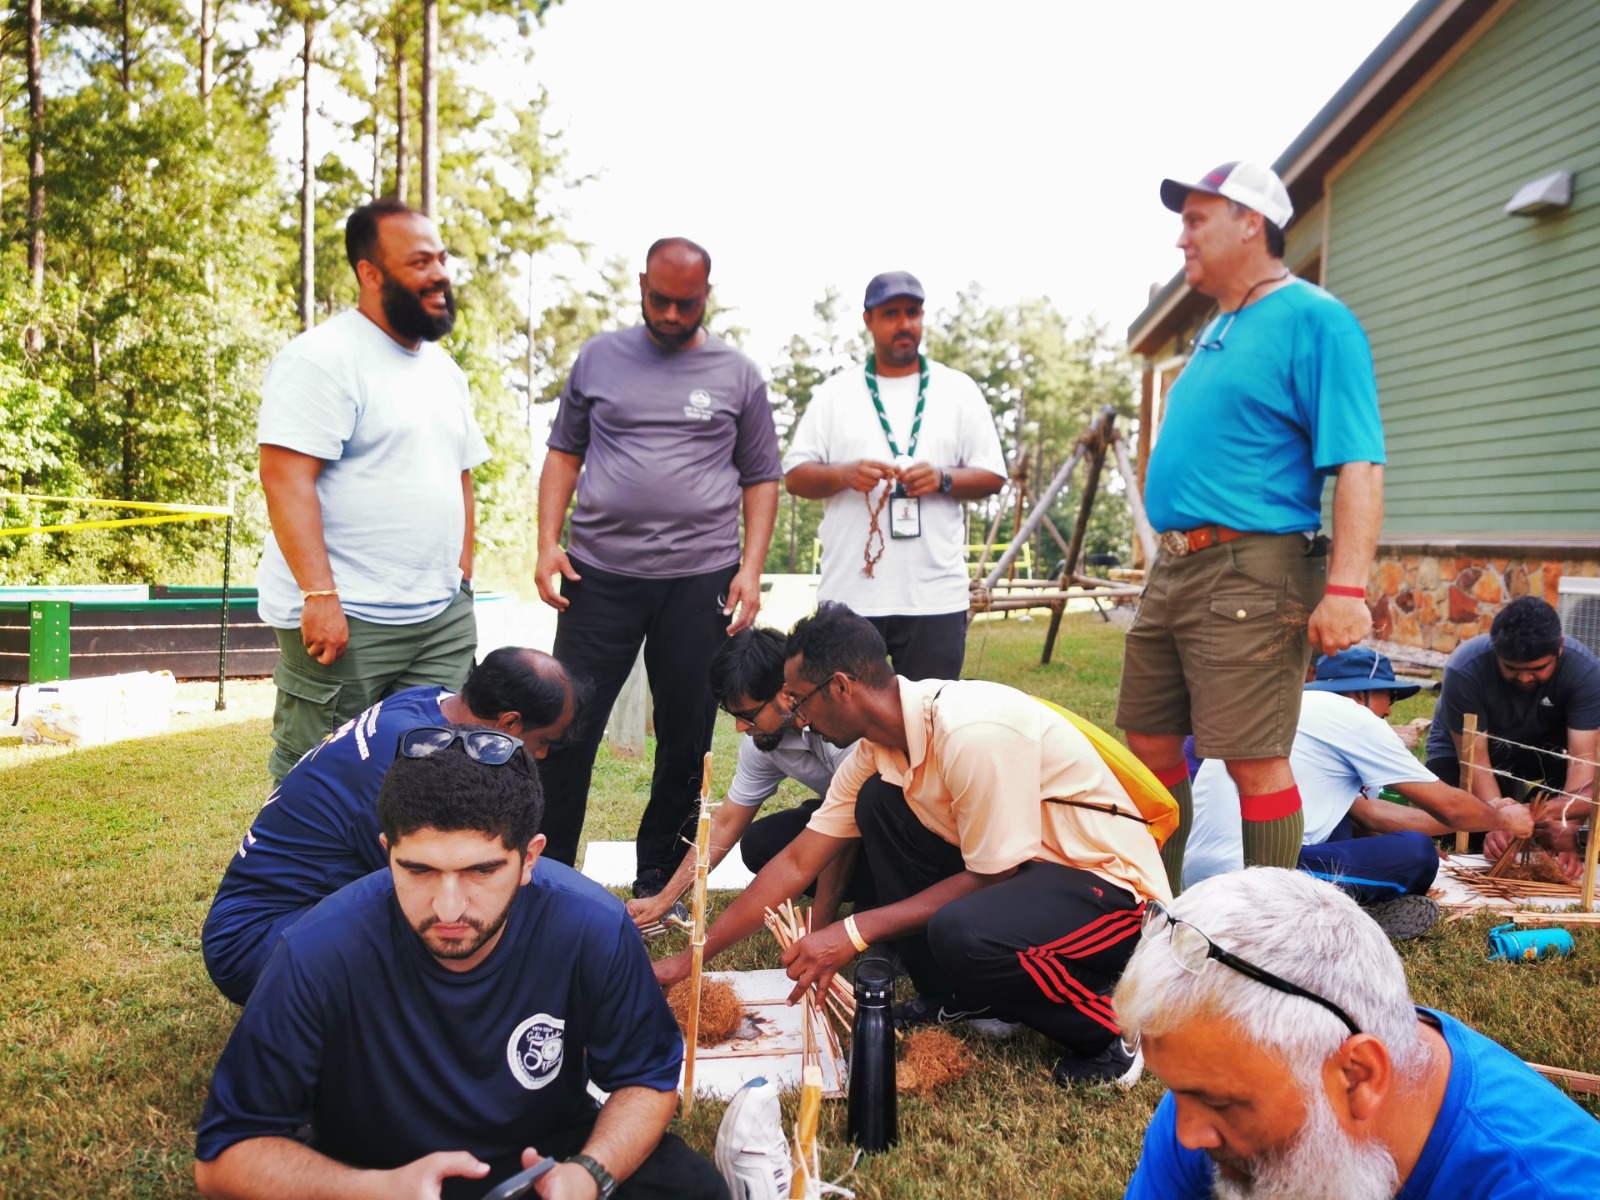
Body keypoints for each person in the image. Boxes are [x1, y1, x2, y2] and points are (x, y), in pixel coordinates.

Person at [195, 725, 726, 1200]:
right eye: (420, 870)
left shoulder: (592, 927)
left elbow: (647, 1078)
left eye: (480, 871)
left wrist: (589, 1174)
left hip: (545, 1162)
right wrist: (371, 1189)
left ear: (530, 858)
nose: (449, 907)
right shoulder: (316, 951)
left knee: (692, 1188)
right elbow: (225, 1157)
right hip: (375, 1172)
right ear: (387, 851)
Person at [657, 602, 1172, 1087]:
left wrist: (853, 930)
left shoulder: (972, 733)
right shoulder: (877, 750)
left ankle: (1112, 1031)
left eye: (800, 700)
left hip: (1111, 890)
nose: (800, 718)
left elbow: (995, 876)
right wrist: (689, 962)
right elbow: (798, 859)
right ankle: (957, 997)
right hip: (1034, 877)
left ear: (840, 687)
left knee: (965, 929)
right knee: (880, 802)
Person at [1117, 161, 1386, 891]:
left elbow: (1360, 462)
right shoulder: (1219, 327)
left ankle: (1272, 931)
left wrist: (1347, 589)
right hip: (1177, 566)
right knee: (1147, 742)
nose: (1182, 240)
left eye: (1196, 220)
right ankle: (1161, 913)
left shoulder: (1315, 319)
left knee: (1252, 755)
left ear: (1251, 223)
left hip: (1252, 568)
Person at [535, 236, 782, 898]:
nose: (672, 315)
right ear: (641, 283)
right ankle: (548, 874)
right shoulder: (598, 358)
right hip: (598, 575)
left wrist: (750, 568)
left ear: (708, 295)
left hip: (699, 579)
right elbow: (563, 452)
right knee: (564, 725)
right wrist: (545, 541)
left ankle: (658, 881)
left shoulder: (738, 374)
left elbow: (761, 477)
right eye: (660, 300)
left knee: (686, 735)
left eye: (687, 303)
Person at [1118, 868, 1600, 1199]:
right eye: (1177, 1090)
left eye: (1222, 1103)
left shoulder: (1545, 1184)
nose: (1186, 1132)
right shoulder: (1214, 1094)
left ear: (1358, 1076)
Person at [202, 647, 587, 1005]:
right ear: (509, 723)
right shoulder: (413, 766)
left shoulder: (430, 703)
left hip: (283, 918)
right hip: (255, 943)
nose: (540, 755)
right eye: (542, 741)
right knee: (458, 925)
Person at [257, 198, 488, 782]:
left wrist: (461, 578)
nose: (439, 273)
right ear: (370, 273)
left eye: (441, 258)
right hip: (349, 620)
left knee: (435, 774)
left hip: (439, 617)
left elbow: (461, 476)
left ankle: (403, 878)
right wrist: (319, 595)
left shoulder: (444, 370)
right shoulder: (323, 358)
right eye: (419, 262)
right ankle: (311, 878)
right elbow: (285, 479)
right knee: (325, 775)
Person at [1183, 648, 1532, 938]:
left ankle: (1340, 913)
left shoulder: (1288, 711)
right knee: (1416, 854)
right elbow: (1449, 807)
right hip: (1249, 878)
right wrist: (1501, 817)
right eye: (1388, 694)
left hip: (1198, 877)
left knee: (1350, 830)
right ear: (1357, 694)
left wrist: (1396, 841)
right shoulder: (1349, 716)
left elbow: (1372, 815)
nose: (1390, 709)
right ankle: (1345, 921)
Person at [782, 271, 1006, 681]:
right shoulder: (836, 393)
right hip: (851, 594)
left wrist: (943, 479)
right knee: (847, 732)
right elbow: (795, 477)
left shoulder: (958, 390)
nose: (905, 324)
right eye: (891, 314)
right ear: (868, 320)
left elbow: (993, 475)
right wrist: (844, 474)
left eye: (913, 313)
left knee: (929, 722)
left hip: (934, 596)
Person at [624, 627, 869, 934]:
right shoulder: (762, 739)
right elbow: (726, 823)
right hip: (840, 814)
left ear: (786, 692)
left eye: (748, 715)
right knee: (760, 843)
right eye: (733, 715)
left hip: (897, 828)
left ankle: (881, 910)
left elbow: (841, 830)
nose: (741, 727)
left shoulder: (842, 728)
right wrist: (664, 899)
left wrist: (818, 926)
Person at [1424, 596, 1600, 869]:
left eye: (1538, 669)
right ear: (1496, 653)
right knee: (1458, 826)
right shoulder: (1464, 669)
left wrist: (1568, 825)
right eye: (1513, 669)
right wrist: (1496, 817)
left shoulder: (1586, 673)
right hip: (1468, 753)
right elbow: (1475, 765)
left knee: (1557, 823)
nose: (1526, 678)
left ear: (1560, 649)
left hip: (1549, 748)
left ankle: (1536, 812)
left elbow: (1583, 764)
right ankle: (1515, 805)